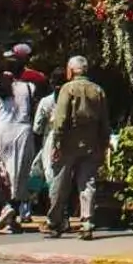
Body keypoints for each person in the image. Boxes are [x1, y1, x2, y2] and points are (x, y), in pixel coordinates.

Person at [46, 56, 111, 242]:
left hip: (68, 142)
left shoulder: (68, 89)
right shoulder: (98, 90)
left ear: (71, 70)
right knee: (87, 182)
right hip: (91, 142)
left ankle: (54, 222)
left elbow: (60, 120)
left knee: (60, 182)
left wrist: (57, 143)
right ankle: (87, 222)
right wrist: (104, 142)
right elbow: (105, 120)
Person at [0, 56, 37, 233]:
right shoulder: (30, 88)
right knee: (20, 175)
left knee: (2, 174)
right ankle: (11, 207)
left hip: (1, 132)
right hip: (22, 132)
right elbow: (34, 112)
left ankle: (8, 216)